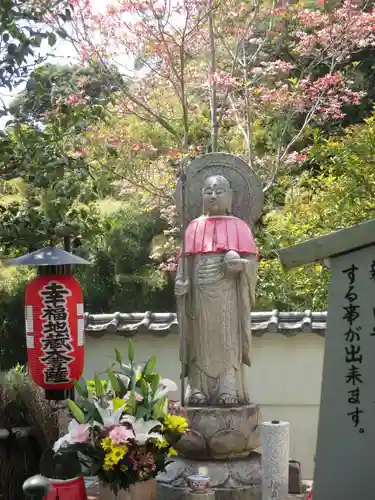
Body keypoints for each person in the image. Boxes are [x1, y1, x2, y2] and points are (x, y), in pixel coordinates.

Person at [175, 174, 258, 405]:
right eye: (208, 191)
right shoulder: (194, 227)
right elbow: (184, 266)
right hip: (199, 297)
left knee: (226, 338)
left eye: (219, 191)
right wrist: (181, 283)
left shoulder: (239, 227)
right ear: (200, 195)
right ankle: (198, 388)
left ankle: (227, 388)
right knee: (199, 340)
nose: (213, 195)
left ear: (231, 196)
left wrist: (241, 266)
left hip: (228, 295)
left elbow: (252, 265)